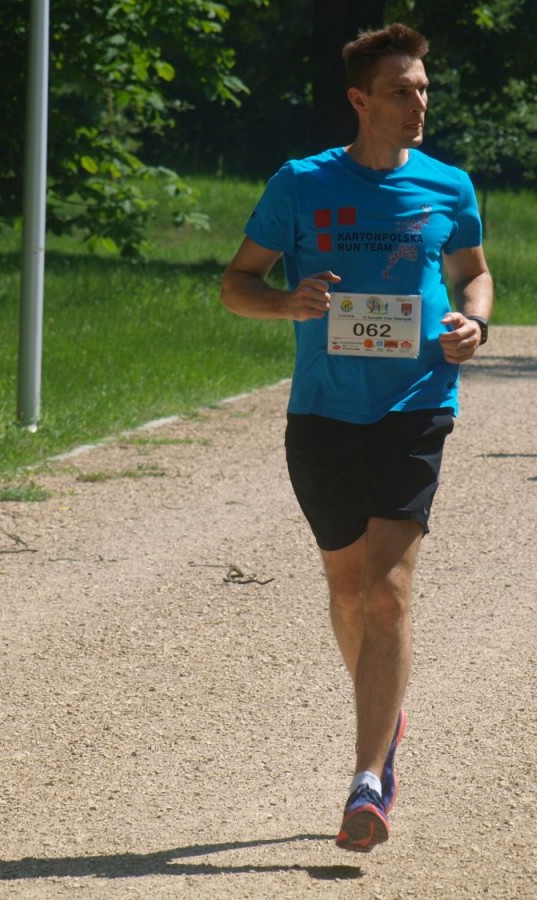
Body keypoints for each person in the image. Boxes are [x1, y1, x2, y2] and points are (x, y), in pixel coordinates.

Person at [219, 23, 492, 852]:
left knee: (388, 591)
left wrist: (473, 323)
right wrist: (286, 303)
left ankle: (368, 780)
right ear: (359, 100)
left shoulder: (448, 185)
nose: (418, 103)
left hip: (416, 403)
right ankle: (386, 706)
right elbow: (236, 284)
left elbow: (473, 273)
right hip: (323, 413)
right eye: (402, 90)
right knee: (347, 589)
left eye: (423, 89)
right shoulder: (302, 183)